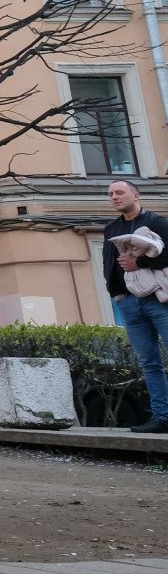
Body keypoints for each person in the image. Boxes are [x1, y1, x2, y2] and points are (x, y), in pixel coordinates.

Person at [105, 179, 168, 433]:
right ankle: (162, 417)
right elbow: (109, 263)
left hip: (159, 300)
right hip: (129, 304)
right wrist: (116, 294)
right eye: (111, 194)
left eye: (120, 192)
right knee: (149, 364)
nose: (114, 197)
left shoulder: (158, 223)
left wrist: (139, 264)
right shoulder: (111, 228)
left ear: (136, 195)